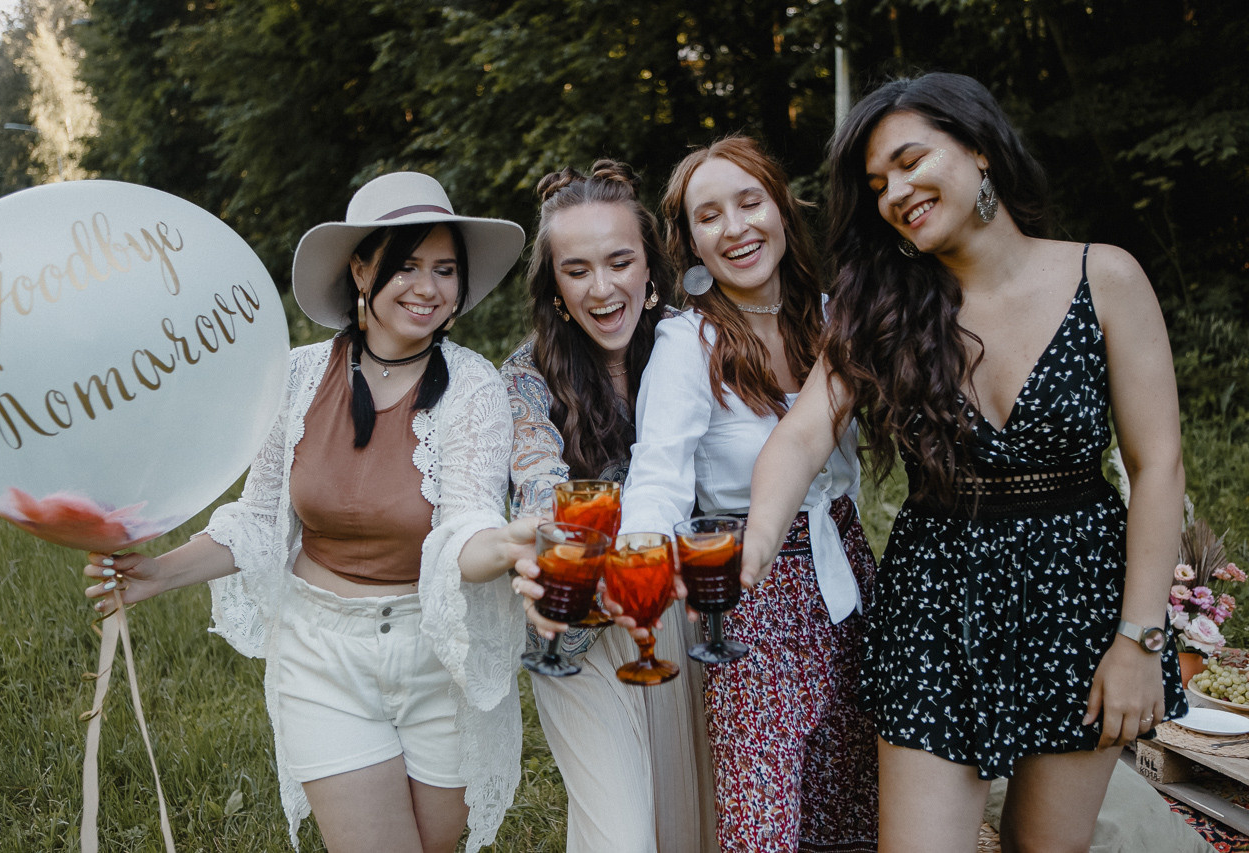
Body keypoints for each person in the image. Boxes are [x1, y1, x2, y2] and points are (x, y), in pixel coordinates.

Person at [744, 72, 1188, 853]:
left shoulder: (1105, 276)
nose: (895, 192)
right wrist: (746, 555)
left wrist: (1138, 641)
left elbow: (1157, 465)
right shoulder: (880, 303)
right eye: (878, 184)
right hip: (934, 604)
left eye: (913, 161)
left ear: (980, 149)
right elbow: (802, 436)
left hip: (1078, 600)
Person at [83, 172, 537, 853]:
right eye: (406, 264)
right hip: (323, 657)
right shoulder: (296, 376)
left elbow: (465, 530)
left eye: (446, 269)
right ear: (361, 268)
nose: (428, 287)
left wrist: (506, 545)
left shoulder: (473, 385)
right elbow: (258, 521)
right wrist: (154, 573)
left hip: (435, 656)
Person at [616, 135, 879, 852]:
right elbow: (659, 471)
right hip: (749, 592)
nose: (735, 228)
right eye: (709, 216)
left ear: (782, 209)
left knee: (850, 799)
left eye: (749, 202)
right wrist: (642, 553)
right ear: (690, 244)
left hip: (848, 575)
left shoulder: (834, 317)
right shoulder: (688, 341)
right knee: (759, 819)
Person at [503, 160, 717, 853]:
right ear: (555, 289)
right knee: (621, 835)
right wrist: (555, 538)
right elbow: (542, 489)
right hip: (579, 630)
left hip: (674, 618)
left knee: (689, 828)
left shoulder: (695, 345)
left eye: (620, 261)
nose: (602, 289)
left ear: (651, 269)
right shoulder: (527, 377)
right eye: (576, 271)